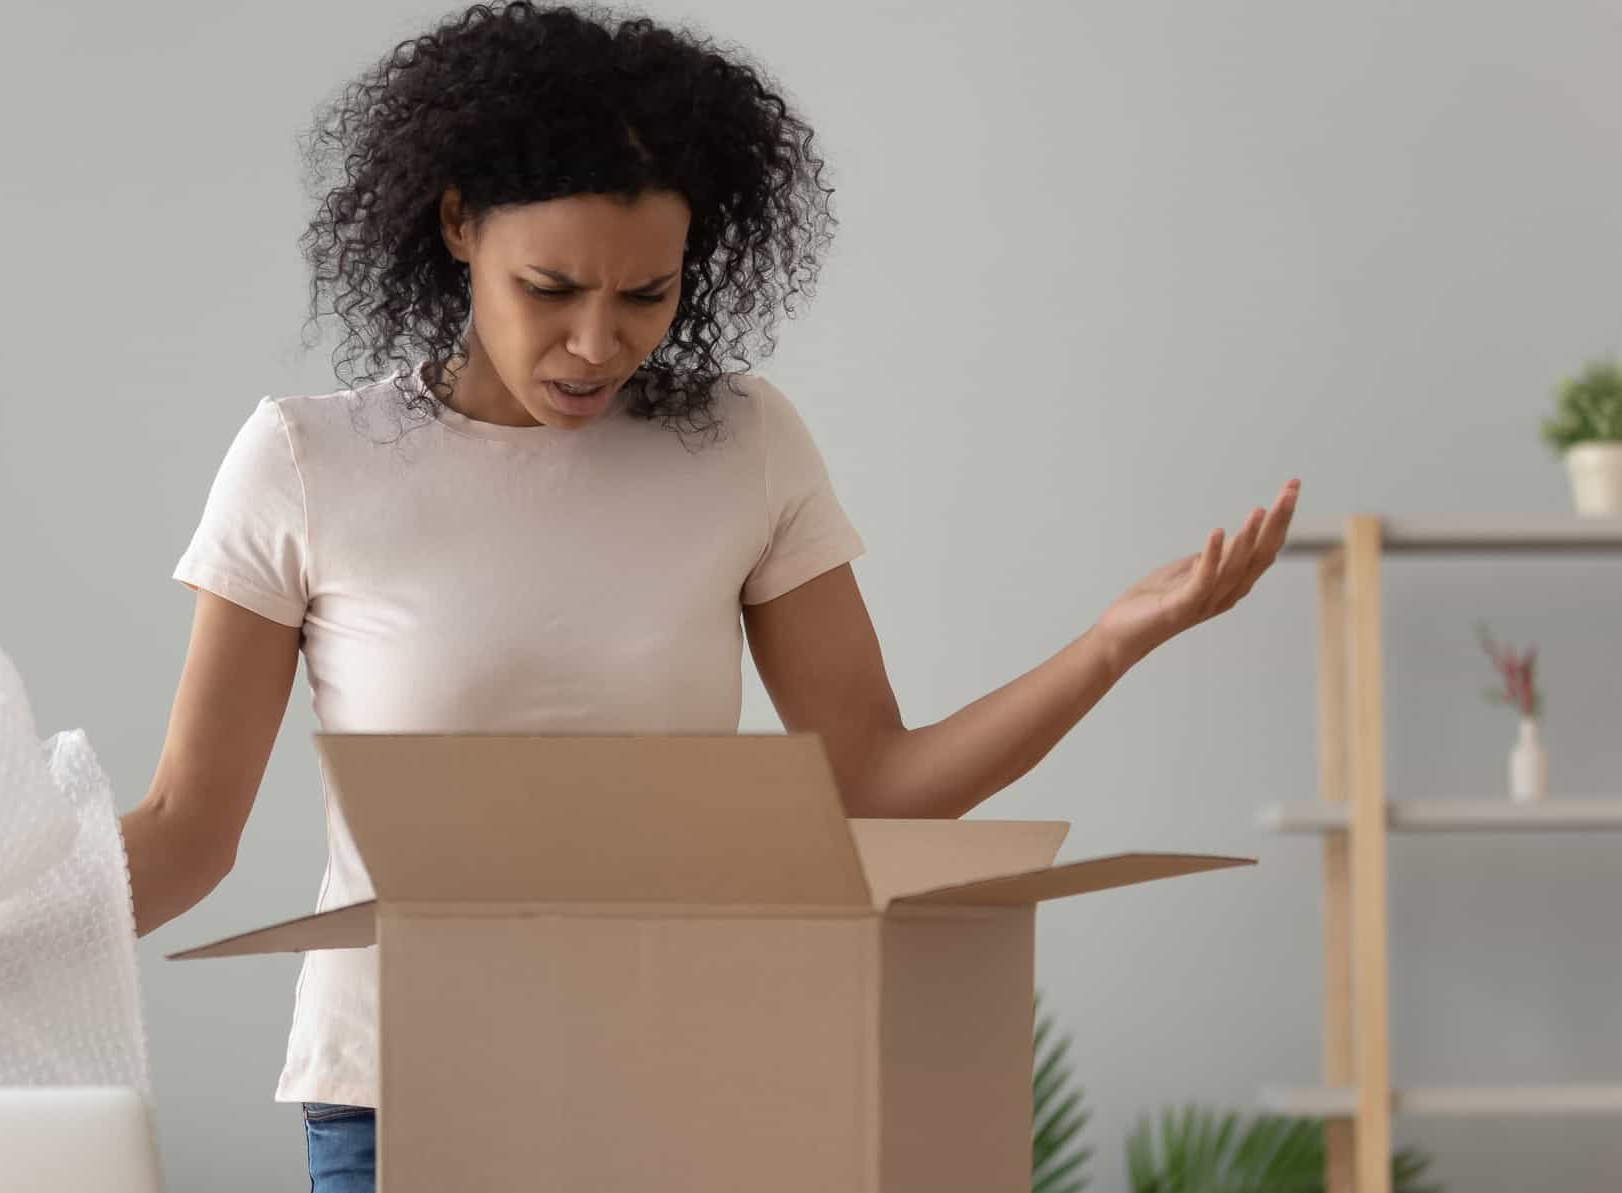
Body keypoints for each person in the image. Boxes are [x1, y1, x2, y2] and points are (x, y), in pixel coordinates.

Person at [119, 3, 1299, 1189]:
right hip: (403, 1090)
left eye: (647, 293)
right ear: (458, 224)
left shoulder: (741, 444)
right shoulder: (310, 462)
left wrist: (1111, 644)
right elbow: (186, 831)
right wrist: (10, 932)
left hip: (673, 1080)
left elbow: (873, 781)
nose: (597, 343)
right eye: (551, 288)